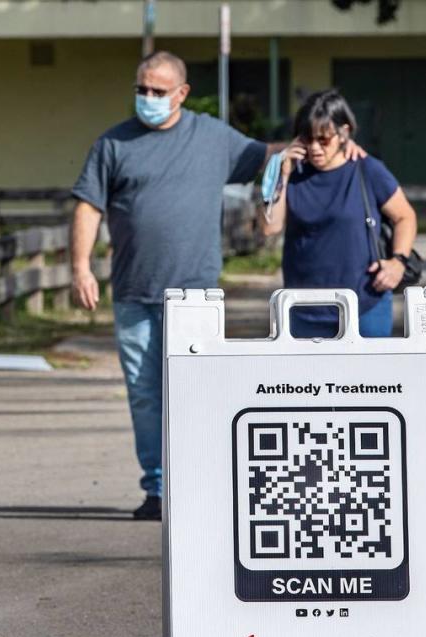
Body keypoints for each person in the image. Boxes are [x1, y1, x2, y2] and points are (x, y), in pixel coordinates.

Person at [70, 53, 364, 520]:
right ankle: (159, 490)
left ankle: (200, 483)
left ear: (181, 94)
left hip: (196, 293)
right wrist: (81, 267)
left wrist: (334, 145)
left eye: (158, 91)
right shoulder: (114, 144)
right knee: (146, 396)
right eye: (141, 89)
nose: (147, 98)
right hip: (134, 291)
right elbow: (88, 206)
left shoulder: (210, 137)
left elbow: (268, 155)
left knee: (196, 392)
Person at [260, 89, 418, 339]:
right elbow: (270, 227)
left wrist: (398, 262)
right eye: (307, 138)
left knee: (371, 380)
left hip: (364, 305)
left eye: (323, 139)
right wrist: (283, 174)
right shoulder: (291, 173)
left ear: (344, 132)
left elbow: (405, 216)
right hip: (302, 309)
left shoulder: (368, 169)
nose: (315, 148)